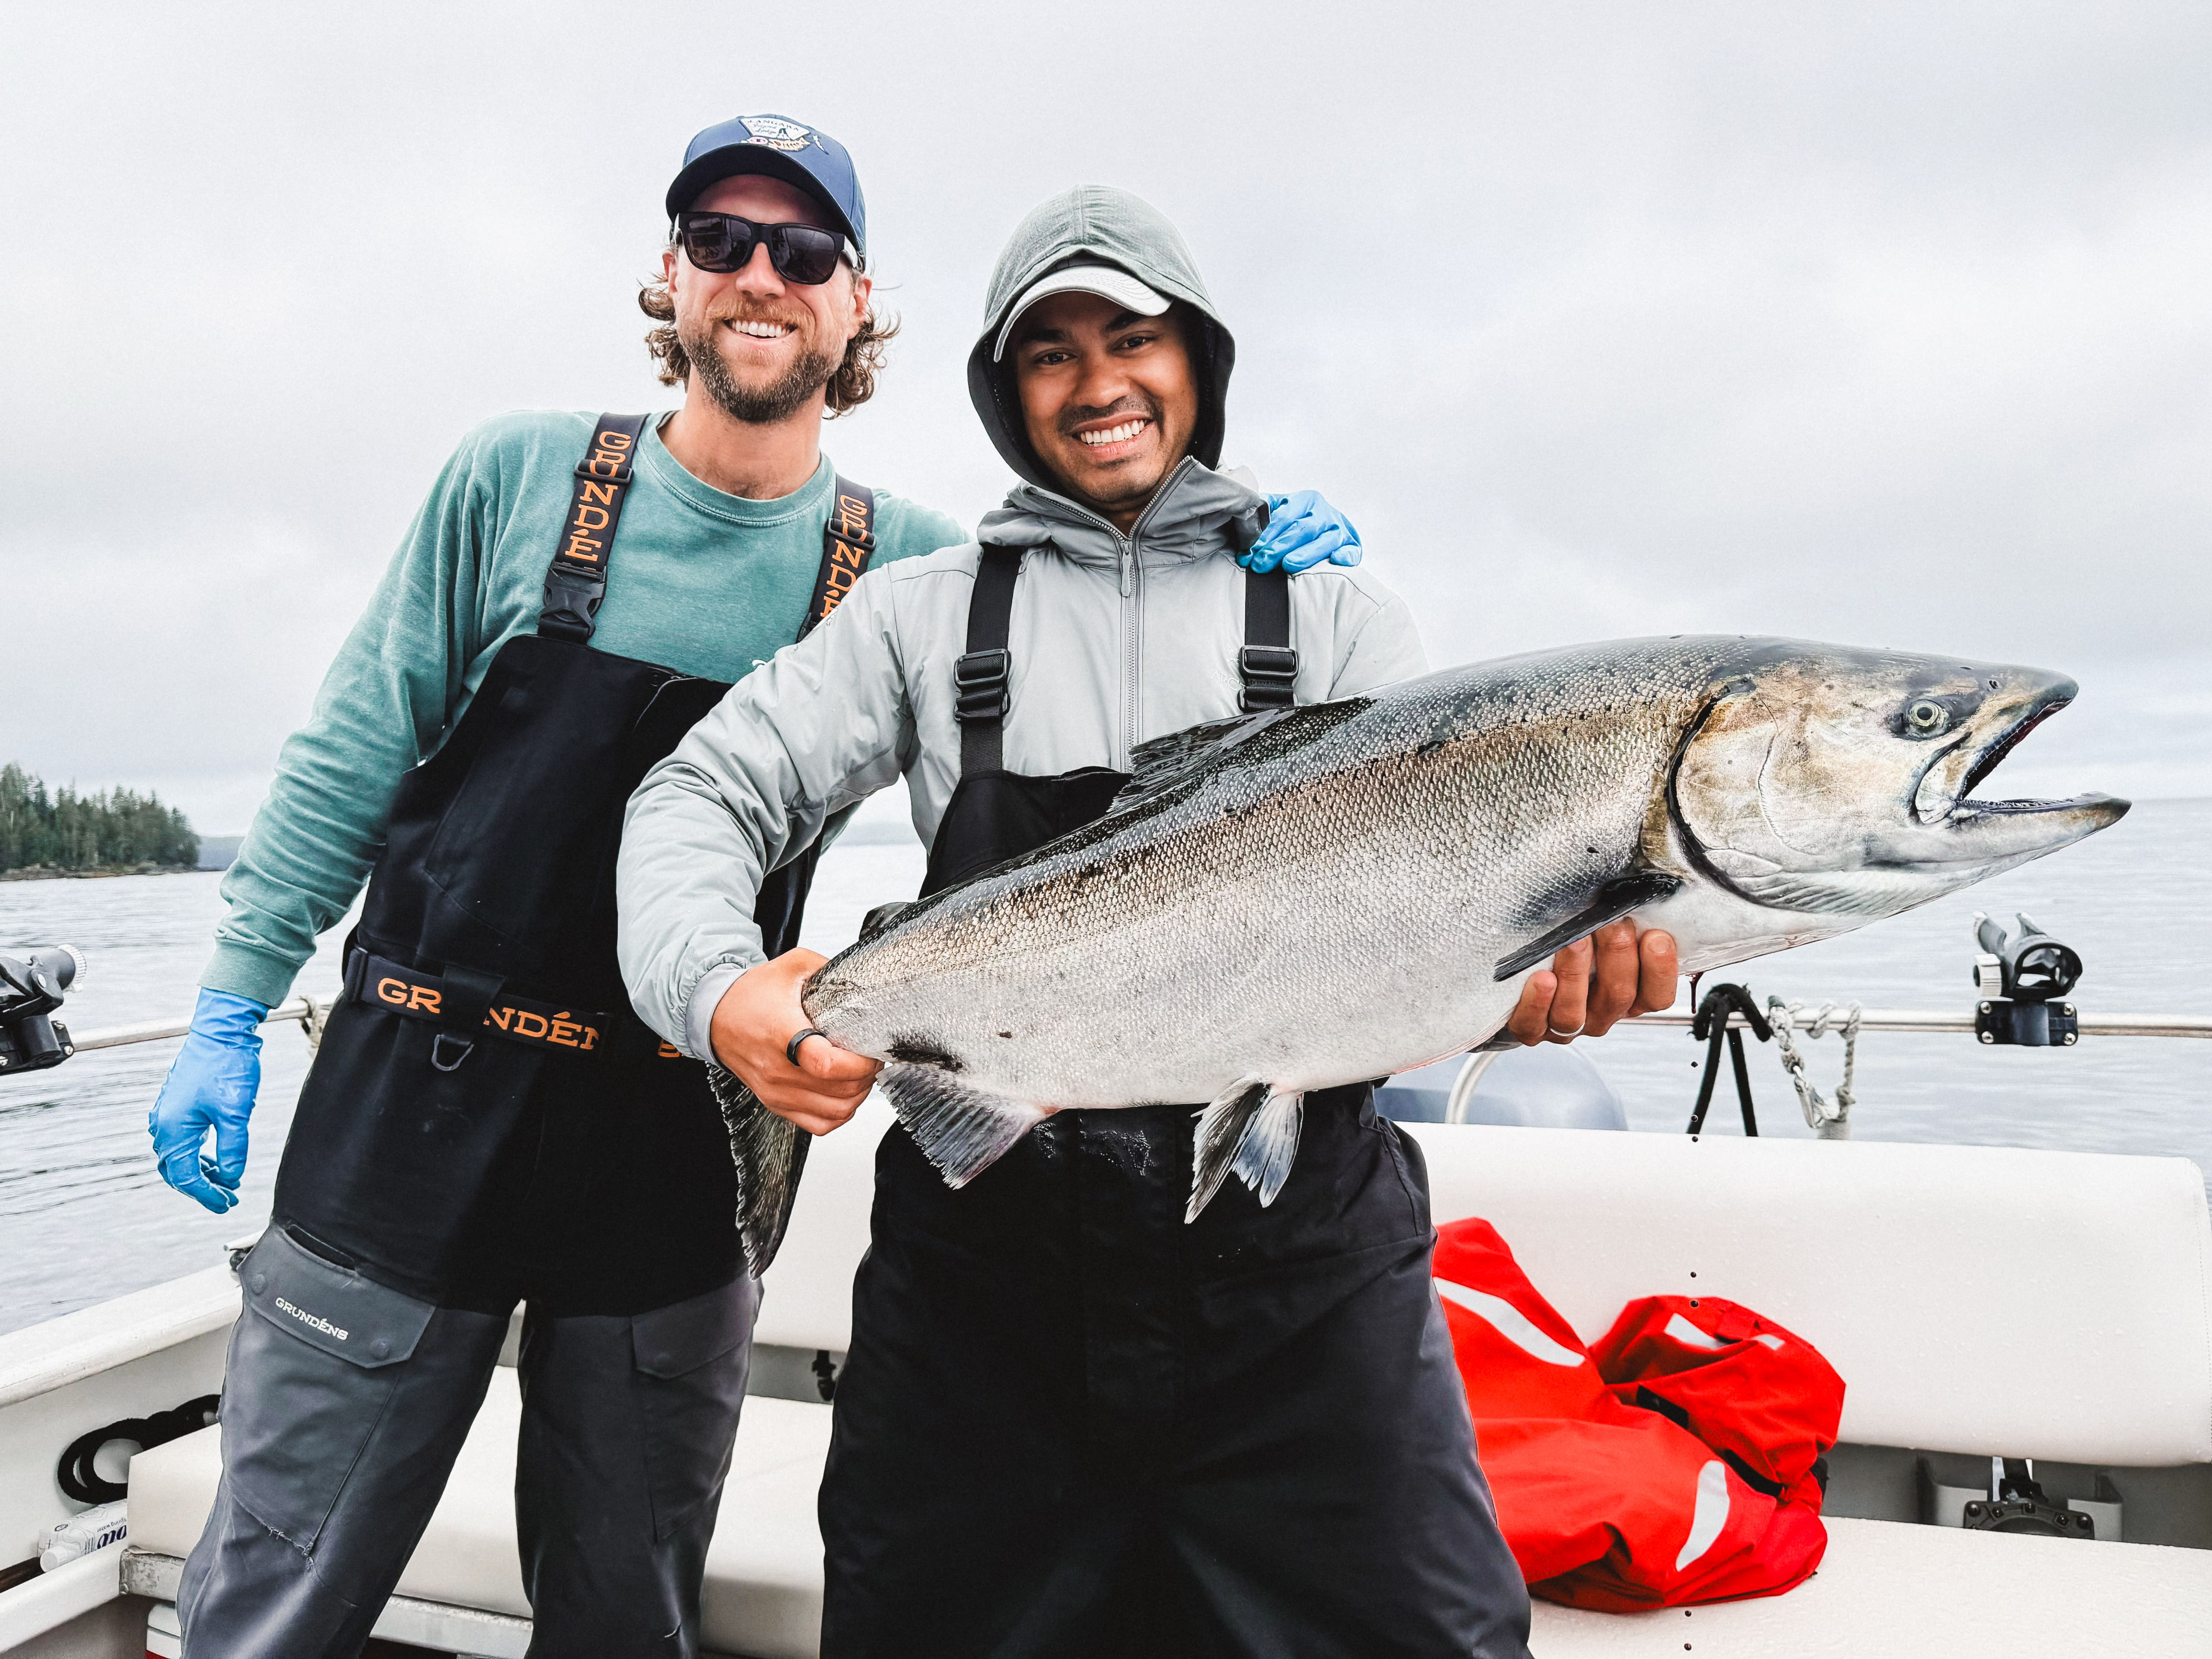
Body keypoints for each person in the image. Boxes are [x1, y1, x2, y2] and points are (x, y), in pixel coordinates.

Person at [145, 118, 1363, 1658]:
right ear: (672, 276)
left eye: (803, 251)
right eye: (719, 240)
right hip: (410, 1104)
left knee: (629, 1607)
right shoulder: (515, 479)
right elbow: (347, 757)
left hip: (682, 1136)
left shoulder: (909, 564)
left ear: (859, 303)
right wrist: (231, 1003)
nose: (758, 276)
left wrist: (1243, 544)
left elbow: (1110, 677)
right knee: (276, 1587)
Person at [617, 185, 1679, 1658]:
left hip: (1300, 1293)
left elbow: (1442, 938)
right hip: (983, 1307)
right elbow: (698, 795)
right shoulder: (927, 614)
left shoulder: (1333, 614)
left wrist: (1551, 974)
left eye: (1135, 338)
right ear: (1005, 388)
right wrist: (719, 991)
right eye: (1050, 353)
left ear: (1201, 360)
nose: (1100, 382)